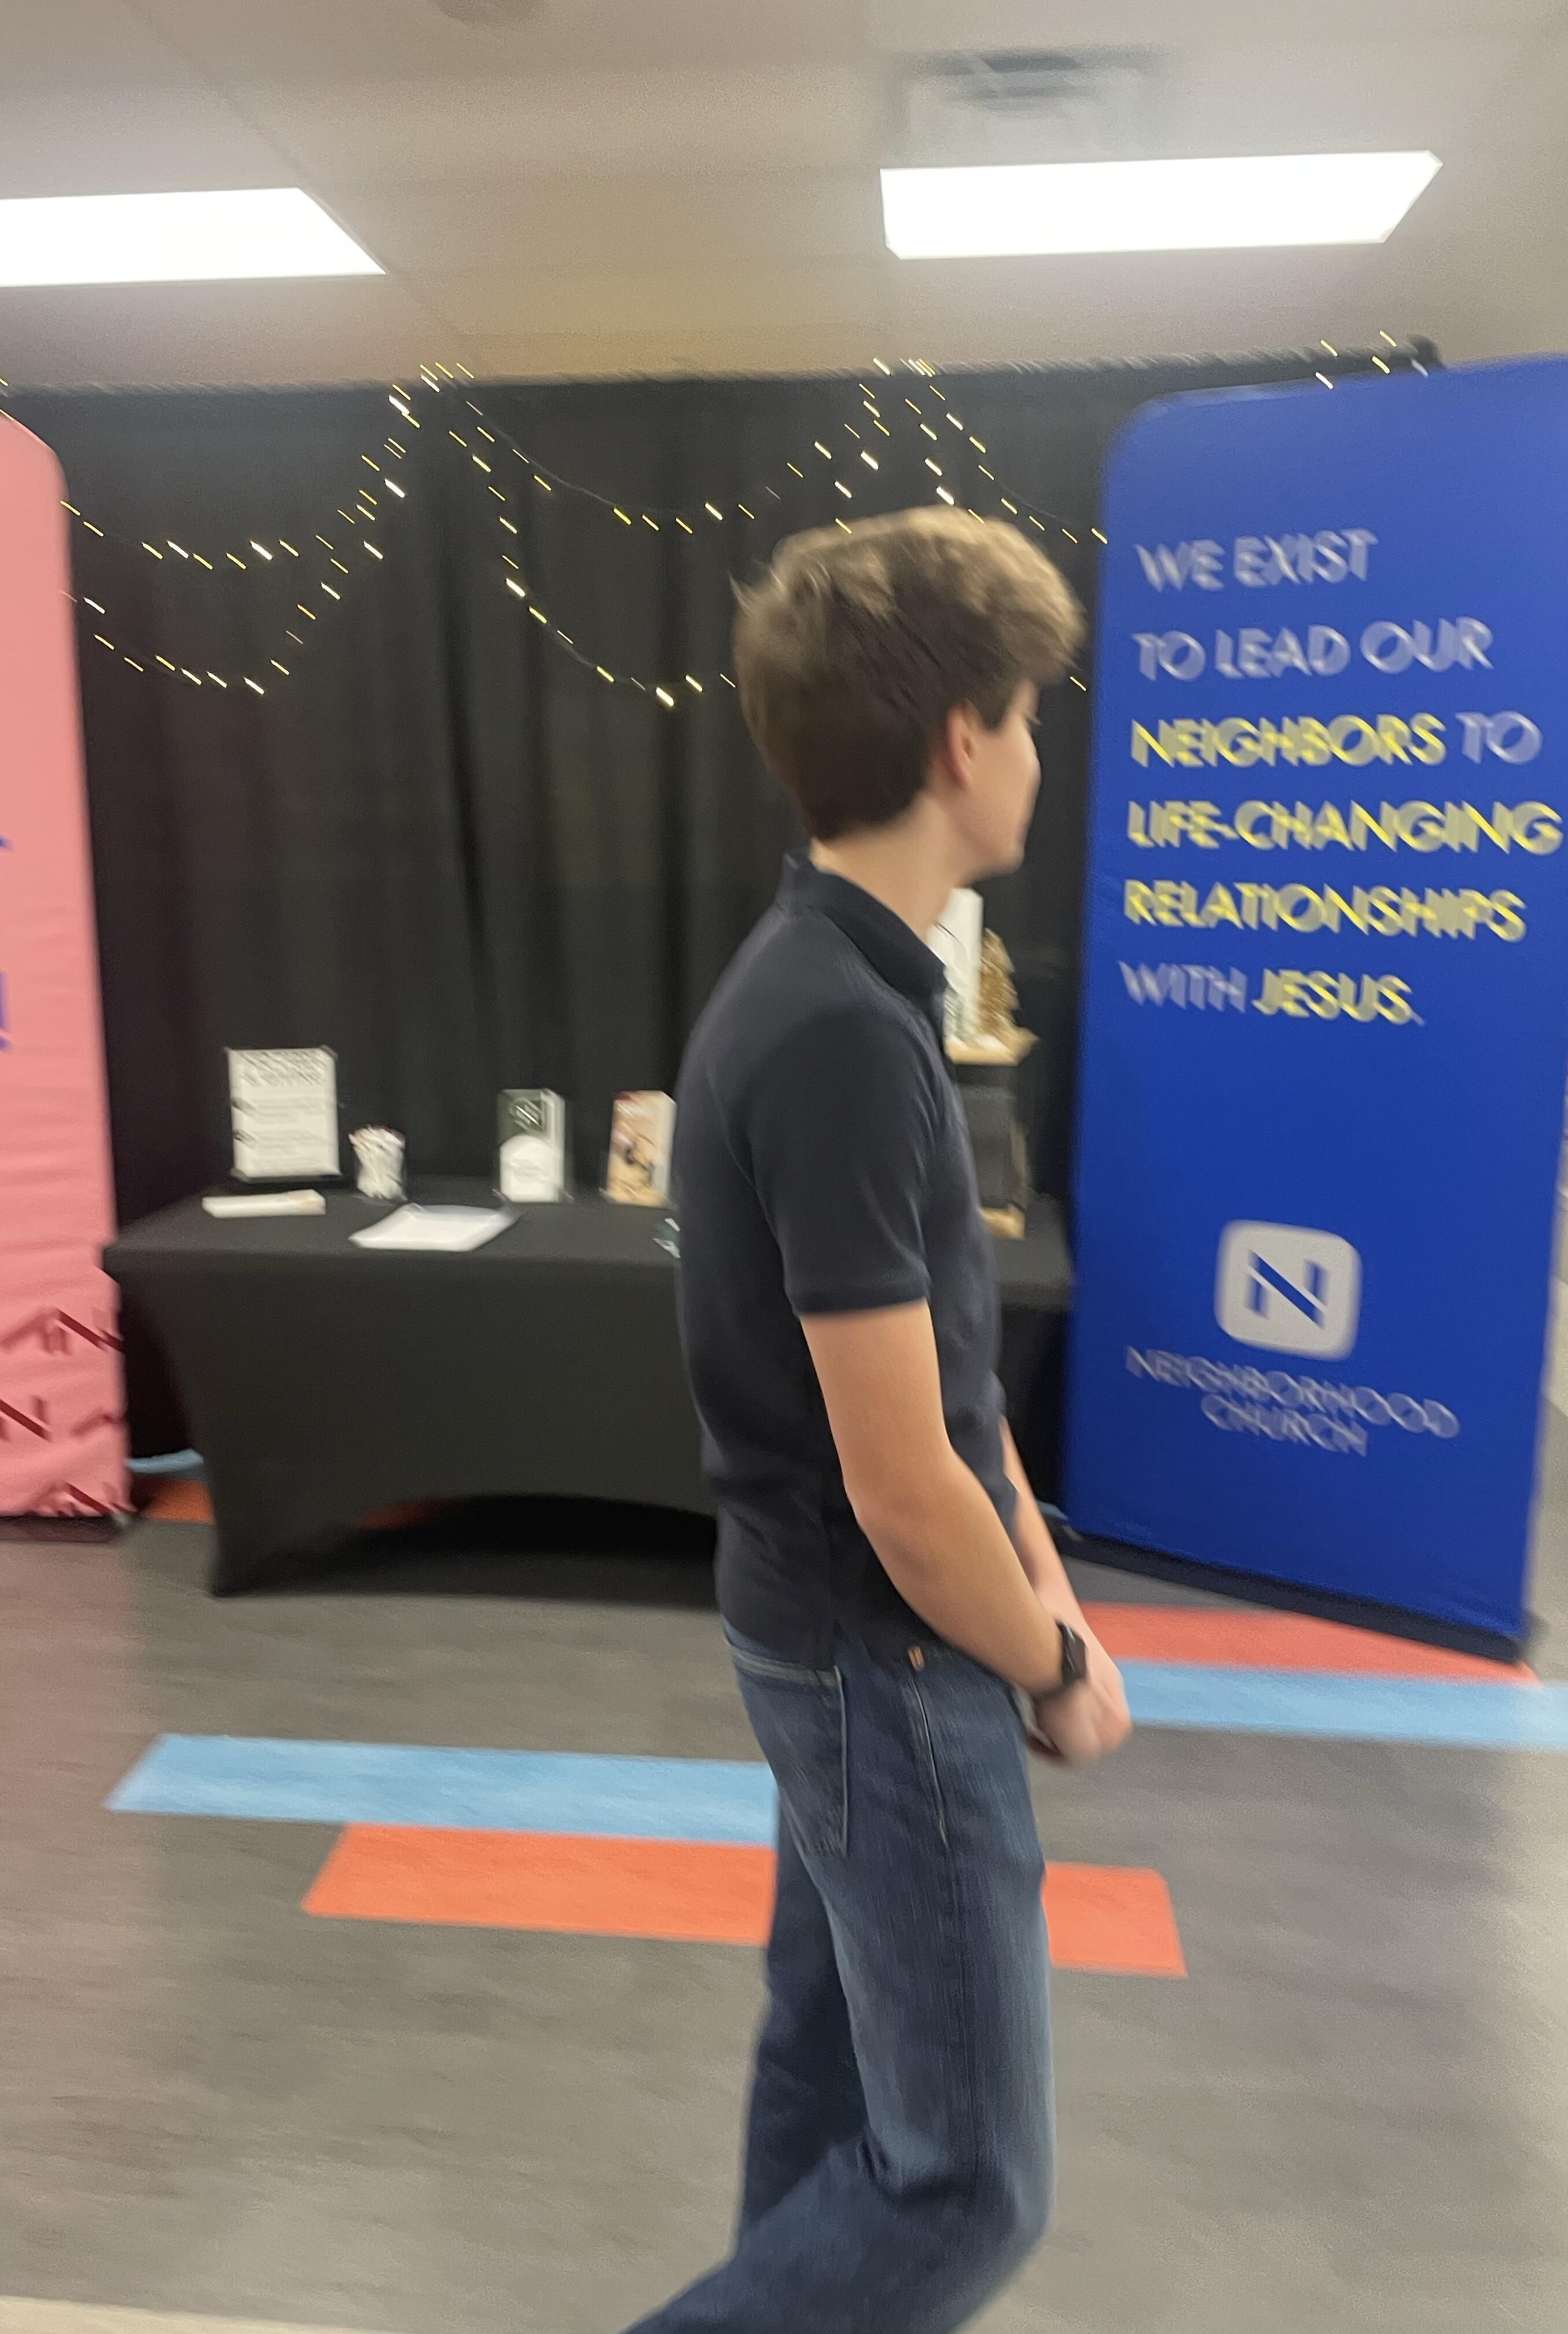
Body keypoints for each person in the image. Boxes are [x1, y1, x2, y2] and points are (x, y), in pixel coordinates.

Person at [629, 507, 1133, 2334]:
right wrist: (1049, 1656)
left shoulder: (848, 988)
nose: (1042, 754)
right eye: (1033, 715)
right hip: (885, 1665)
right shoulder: (838, 1026)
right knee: (966, 2184)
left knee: (833, 2082)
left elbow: (952, 1395)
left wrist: (1038, 1572)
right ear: (961, 741)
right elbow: (905, 1486)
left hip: (845, 1647)